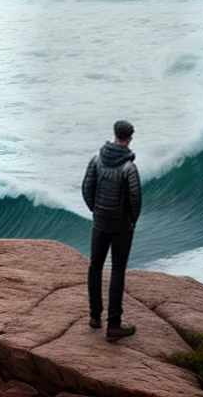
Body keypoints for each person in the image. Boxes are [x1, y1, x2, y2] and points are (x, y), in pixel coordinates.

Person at [81, 119, 141, 342]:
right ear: (130, 138)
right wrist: (132, 220)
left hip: (100, 222)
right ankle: (113, 325)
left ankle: (95, 316)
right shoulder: (129, 167)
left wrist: (96, 211)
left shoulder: (97, 160)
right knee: (117, 270)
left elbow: (87, 188)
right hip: (121, 226)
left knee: (95, 266)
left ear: (115, 134)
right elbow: (135, 198)